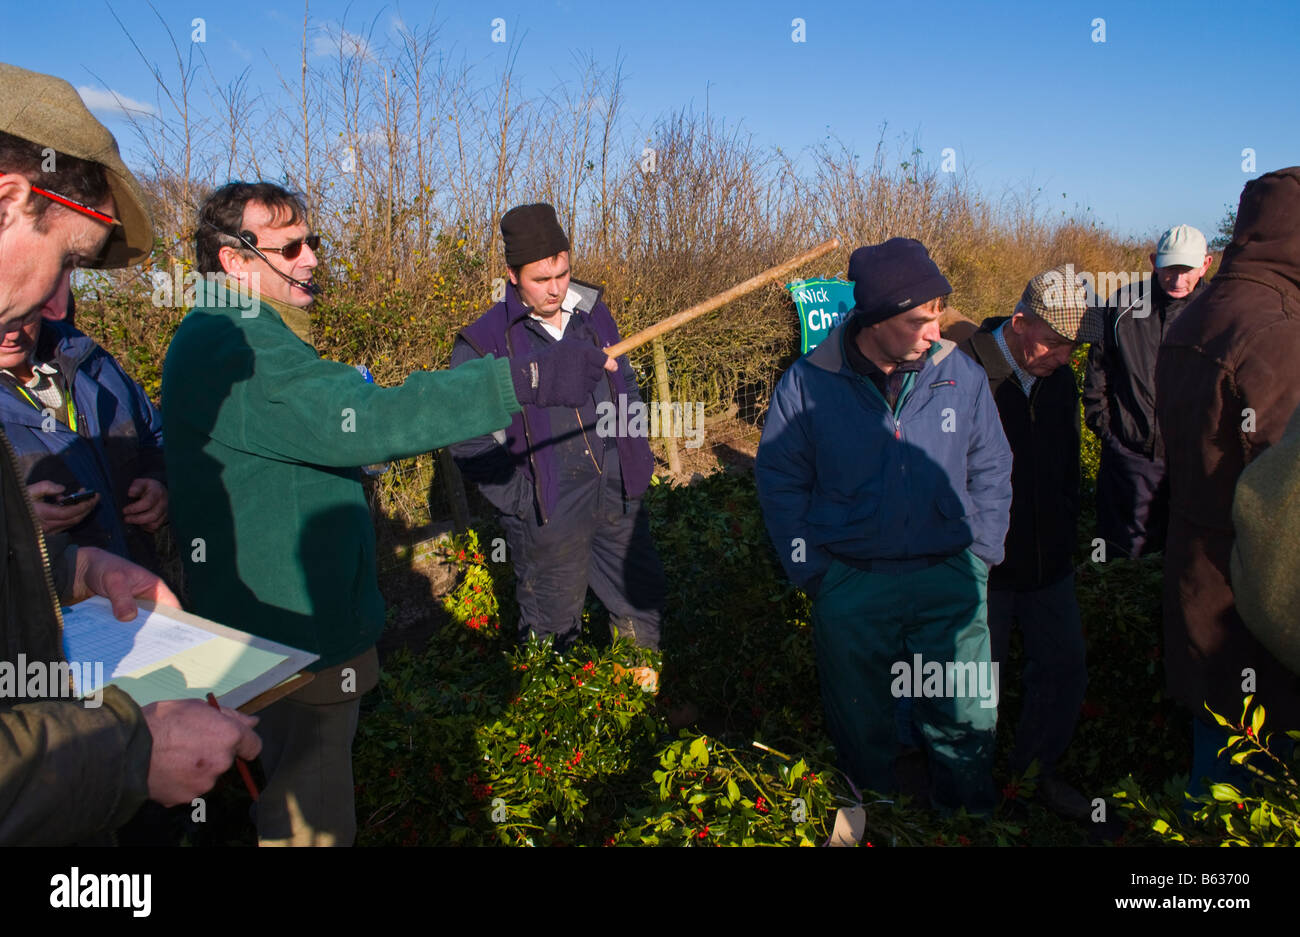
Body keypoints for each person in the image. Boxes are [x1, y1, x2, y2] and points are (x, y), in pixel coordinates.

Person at [164, 184, 611, 846]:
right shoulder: (235, 344)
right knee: (309, 827)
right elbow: (368, 417)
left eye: (313, 241)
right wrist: (517, 381)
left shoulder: (242, 333)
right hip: (291, 641)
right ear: (235, 261)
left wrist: (346, 457)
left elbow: (305, 436)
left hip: (295, 632)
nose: (313, 258)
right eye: (292, 247)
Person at [0, 62, 261, 845]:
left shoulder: (91, 363)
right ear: (8, 196)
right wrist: (127, 747)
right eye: (72, 262)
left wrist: (68, 566)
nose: (59, 302)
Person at [755, 238, 1012, 813]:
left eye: (938, 312)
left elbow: (991, 463)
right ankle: (879, 821)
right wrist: (813, 571)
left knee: (964, 718)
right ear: (874, 321)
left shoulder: (957, 373)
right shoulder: (808, 382)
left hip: (949, 575)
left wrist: (981, 554)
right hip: (850, 582)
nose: (936, 329)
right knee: (861, 723)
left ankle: (967, 823)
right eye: (920, 318)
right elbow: (780, 481)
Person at [448, 203, 665, 679]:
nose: (556, 289)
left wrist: (633, 459)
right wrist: (521, 500)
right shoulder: (485, 343)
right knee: (553, 629)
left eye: (563, 273)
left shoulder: (593, 312)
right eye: (540, 279)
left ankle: (635, 711)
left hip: (615, 491)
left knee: (638, 603)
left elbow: (624, 383)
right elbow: (466, 439)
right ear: (511, 275)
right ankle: (561, 734)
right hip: (547, 504)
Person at [1155, 166, 1300, 797]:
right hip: (1258, 603)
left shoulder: (1198, 315)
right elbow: (1282, 500)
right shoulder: (1279, 331)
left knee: (1215, 759)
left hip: (1198, 576)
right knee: (1258, 784)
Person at [956, 265, 1101, 819]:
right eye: (1061, 342)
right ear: (1019, 323)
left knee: (1063, 669)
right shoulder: (963, 374)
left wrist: (1067, 530)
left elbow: (1066, 465)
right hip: (980, 569)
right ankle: (969, 796)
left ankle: (1033, 776)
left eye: (1077, 345)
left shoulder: (1059, 380)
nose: (1070, 356)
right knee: (973, 688)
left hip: (1050, 565)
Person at [0, 270, 167, 567]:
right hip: (38, 606)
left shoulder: (90, 358)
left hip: (135, 589)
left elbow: (156, 437)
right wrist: (14, 523)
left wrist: (159, 482)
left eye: (23, 313)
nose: (12, 333)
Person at [1083, 224, 1212, 559]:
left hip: (1195, 463)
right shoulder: (1124, 304)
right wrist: (1107, 430)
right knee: (1120, 558)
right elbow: (1098, 368)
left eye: (1186, 270)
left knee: (1188, 558)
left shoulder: (1218, 313)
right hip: (1129, 457)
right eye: (1170, 269)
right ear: (1154, 261)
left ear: (1206, 264)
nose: (1178, 280)